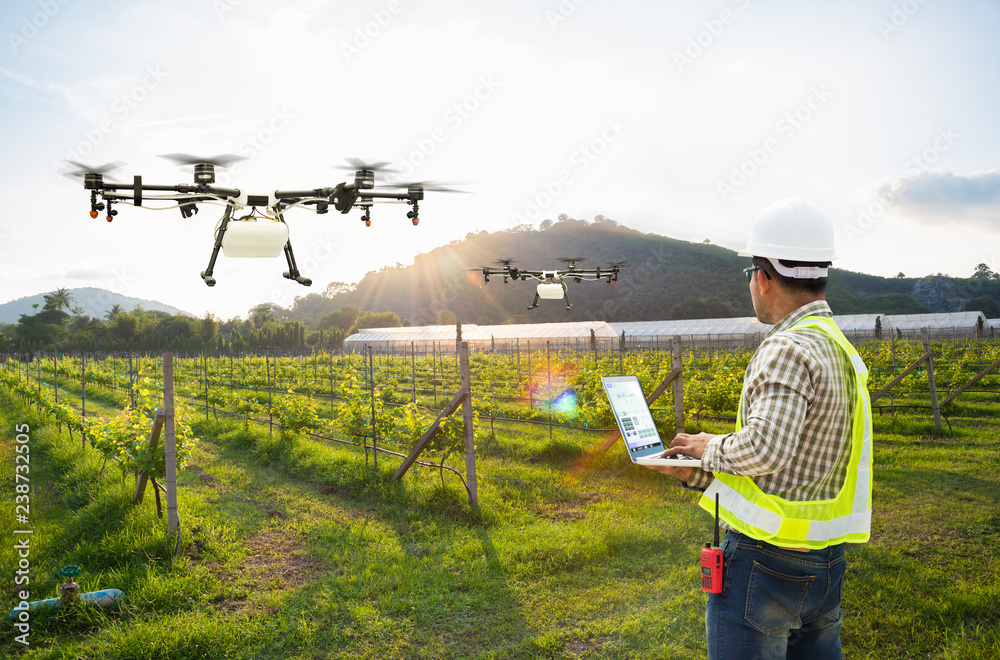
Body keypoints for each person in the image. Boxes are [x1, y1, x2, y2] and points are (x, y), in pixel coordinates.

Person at [647, 196, 873, 660]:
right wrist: (697, 473)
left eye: (751, 274)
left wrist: (708, 446)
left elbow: (767, 450)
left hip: (766, 566)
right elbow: (795, 472)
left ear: (764, 277)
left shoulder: (787, 347)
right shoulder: (839, 349)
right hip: (826, 563)